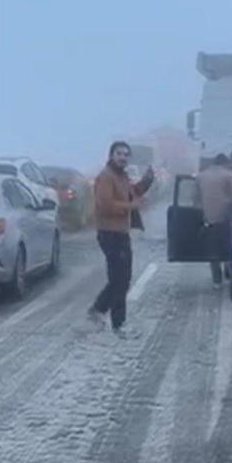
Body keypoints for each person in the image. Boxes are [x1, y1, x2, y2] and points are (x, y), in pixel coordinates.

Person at [88, 141, 154, 335]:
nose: (123, 158)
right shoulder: (106, 177)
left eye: (126, 155)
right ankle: (114, 320)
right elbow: (105, 205)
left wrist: (147, 181)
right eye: (119, 154)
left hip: (121, 233)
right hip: (110, 233)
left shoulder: (121, 176)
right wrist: (131, 207)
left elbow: (134, 192)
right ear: (111, 155)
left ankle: (102, 312)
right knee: (120, 280)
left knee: (121, 280)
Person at [197, 153, 232, 286]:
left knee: (213, 251)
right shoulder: (229, 175)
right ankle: (229, 273)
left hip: (208, 218)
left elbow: (196, 197)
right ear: (225, 163)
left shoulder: (201, 176)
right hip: (226, 217)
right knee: (228, 248)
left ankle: (216, 280)